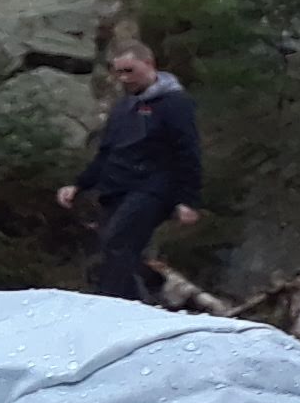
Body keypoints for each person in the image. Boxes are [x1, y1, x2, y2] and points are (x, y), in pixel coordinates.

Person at [56, 41, 201, 302]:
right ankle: (153, 295)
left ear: (149, 64)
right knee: (113, 251)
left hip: (153, 189)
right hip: (117, 189)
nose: (124, 78)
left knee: (118, 242)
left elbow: (188, 152)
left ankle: (120, 306)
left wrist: (187, 199)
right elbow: (107, 153)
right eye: (119, 72)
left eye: (129, 71)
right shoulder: (124, 106)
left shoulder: (175, 103)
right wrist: (79, 185)